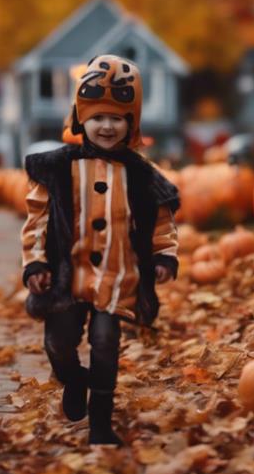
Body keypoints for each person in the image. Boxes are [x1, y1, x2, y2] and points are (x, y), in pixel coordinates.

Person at [21, 55, 180, 446]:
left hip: (117, 276)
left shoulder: (142, 177)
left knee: (106, 344)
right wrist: (35, 262)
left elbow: (162, 223)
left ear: (131, 123)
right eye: (97, 117)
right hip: (65, 277)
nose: (107, 126)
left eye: (118, 118)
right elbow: (37, 220)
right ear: (80, 118)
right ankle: (75, 380)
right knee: (58, 343)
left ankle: (101, 425)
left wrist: (164, 255)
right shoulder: (58, 169)